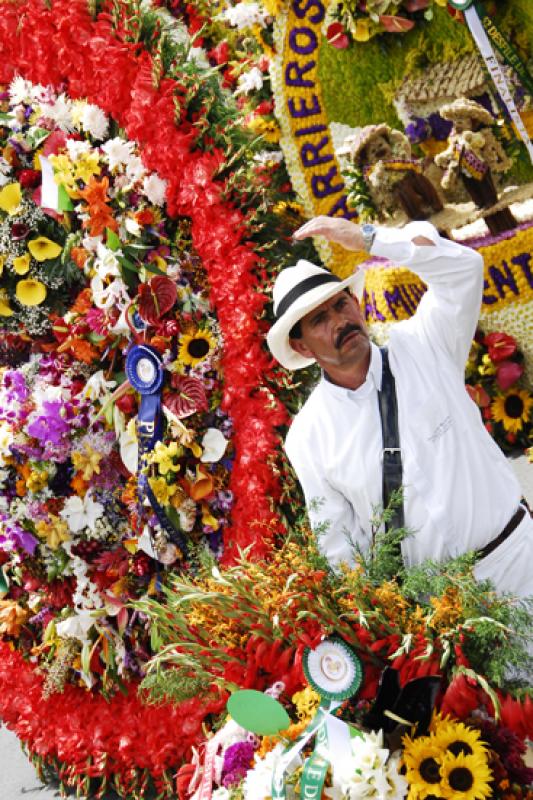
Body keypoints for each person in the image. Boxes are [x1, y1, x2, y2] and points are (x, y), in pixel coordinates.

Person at [266, 216, 533, 597]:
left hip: (518, 563)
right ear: (303, 347)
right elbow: (341, 549)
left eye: (342, 305)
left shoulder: (425, 345)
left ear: (357, 305)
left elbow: (464, 269)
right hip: (445, 611)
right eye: (320, 320)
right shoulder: (308, 437)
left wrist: (368, 238)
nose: (340, 321)